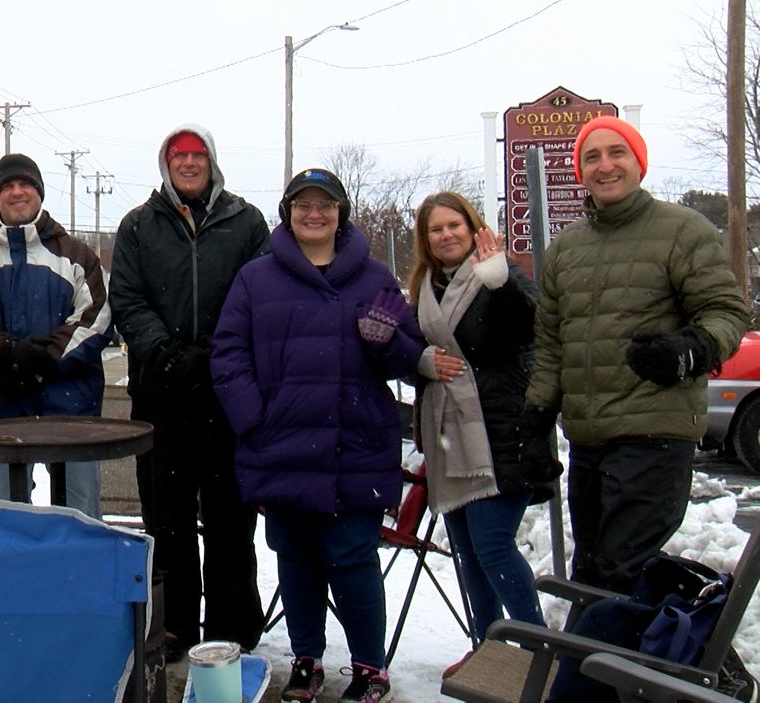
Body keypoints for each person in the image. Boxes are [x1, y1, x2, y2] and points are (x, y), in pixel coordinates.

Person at [212, 168, 423, 702]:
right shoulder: (255, 278)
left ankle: (370, 668)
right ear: (287, 213)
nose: (314, 213)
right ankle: (306, 661)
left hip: (355, 444)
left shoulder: (374, 277)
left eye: (325, 205)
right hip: (280, 444)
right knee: (297, 559)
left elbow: (409, 359)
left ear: (339, 213)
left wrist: (387, 342)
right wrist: (254, 418)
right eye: (303, 204)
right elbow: (228, 354)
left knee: (354, 560)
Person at [521, 116, 749, 593]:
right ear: (581, 171)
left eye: (616, 153)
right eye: (592, 157)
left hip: (655, 436)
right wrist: (537, 418)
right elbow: (551, 343)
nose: (605, 165)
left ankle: (659, 636)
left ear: (639, 163)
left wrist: (689, 350)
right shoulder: (566, 248)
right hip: (588, 441)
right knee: (593, 575)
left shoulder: (682, 230)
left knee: (619, 572)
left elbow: (726, 312)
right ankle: (650, 633)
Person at [109, 124, 269, 661]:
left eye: (198, 154)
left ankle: (232, 628)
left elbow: (258, 295)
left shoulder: (247, 222)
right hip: (161, 391)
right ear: (166, 163)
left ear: (212, 161)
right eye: (179, 155)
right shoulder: (138, 225)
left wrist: (215, 354)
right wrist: (167, 353)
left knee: (230, 519)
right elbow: (127, 299)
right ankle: (173, 626)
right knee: (166, 519)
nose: (189, 163)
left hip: (228, 392)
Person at [407, 191, 553, 679]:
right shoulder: (425, 290)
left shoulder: (501, 272)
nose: (446, 235)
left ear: (473, 229)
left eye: (455, 225)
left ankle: (536, 653)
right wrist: (419, 363)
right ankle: (487, 651)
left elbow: (530, 327)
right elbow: (413, 355)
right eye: (436, 229)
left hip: (505, 437)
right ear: (426, 240)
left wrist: (500, 283)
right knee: (468, 553)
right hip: (450, 442)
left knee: (492, 545)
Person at [0, 153, 113, 518]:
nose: (17, 192)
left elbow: (96, 320)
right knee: (4, 521)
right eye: (8, 186)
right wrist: (6, 352)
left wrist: (44, 358)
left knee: (80, 520)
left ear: (40, 192)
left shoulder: (77, 257)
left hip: (71, 408)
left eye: (26, 183)